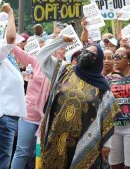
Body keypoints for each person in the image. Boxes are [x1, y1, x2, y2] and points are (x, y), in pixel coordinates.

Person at [36, 34, 119, 168]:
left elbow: (107, 116)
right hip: (55, 136)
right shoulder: (63, 70)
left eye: (91, 54)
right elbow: (41, 55)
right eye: (85, 51)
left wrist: (106, 145)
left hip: (84, 142)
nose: (86, 55)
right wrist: (61, 41)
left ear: (97, 61)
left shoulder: (103, 88)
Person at [10, 37, 51, 168]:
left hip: (49, 117)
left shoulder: (62, 67)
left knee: (46, 154)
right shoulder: (34, 61)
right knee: (22, 151)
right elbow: (13, 47)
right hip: (29, 115)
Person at [0, 3, 27, 169]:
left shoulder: (8, 58)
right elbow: (10, 38)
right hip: (3, 117)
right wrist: (10, 13)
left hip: (7, 116)